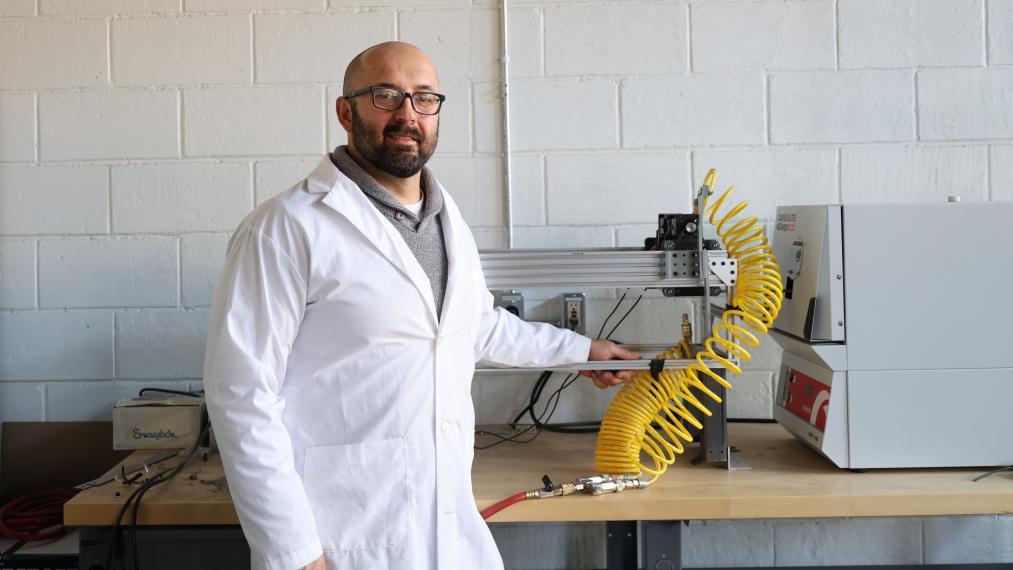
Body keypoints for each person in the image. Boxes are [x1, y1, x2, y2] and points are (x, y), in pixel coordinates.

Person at [203, 41, 639, 570]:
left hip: (447, 529)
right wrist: (294, 553)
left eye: (424, 98)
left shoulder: (444, 218)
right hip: (341, 537)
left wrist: (581, 350)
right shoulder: (285, 228)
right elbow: (242, 396)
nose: (408, 114)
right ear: (346, 111)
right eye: (386, 95)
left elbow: (475, 328)